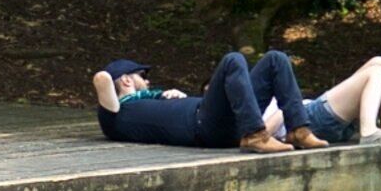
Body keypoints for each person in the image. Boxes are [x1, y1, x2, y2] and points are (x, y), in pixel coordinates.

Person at [90, 52, 318, 151]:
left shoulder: (152, 98)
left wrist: (167, 96)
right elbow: (102, 79)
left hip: (226, 119)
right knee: (233, 60)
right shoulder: (116, 116)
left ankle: (298, 130)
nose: (147, 81)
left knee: (275, 59)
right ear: (127, 80)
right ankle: (256, 136)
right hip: (204, 126)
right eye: (142, 76)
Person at [293, 53, 381, 144]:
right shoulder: (280, 61)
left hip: (318, 119)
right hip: (308, 120)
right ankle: (369, 132)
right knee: (376, 71)